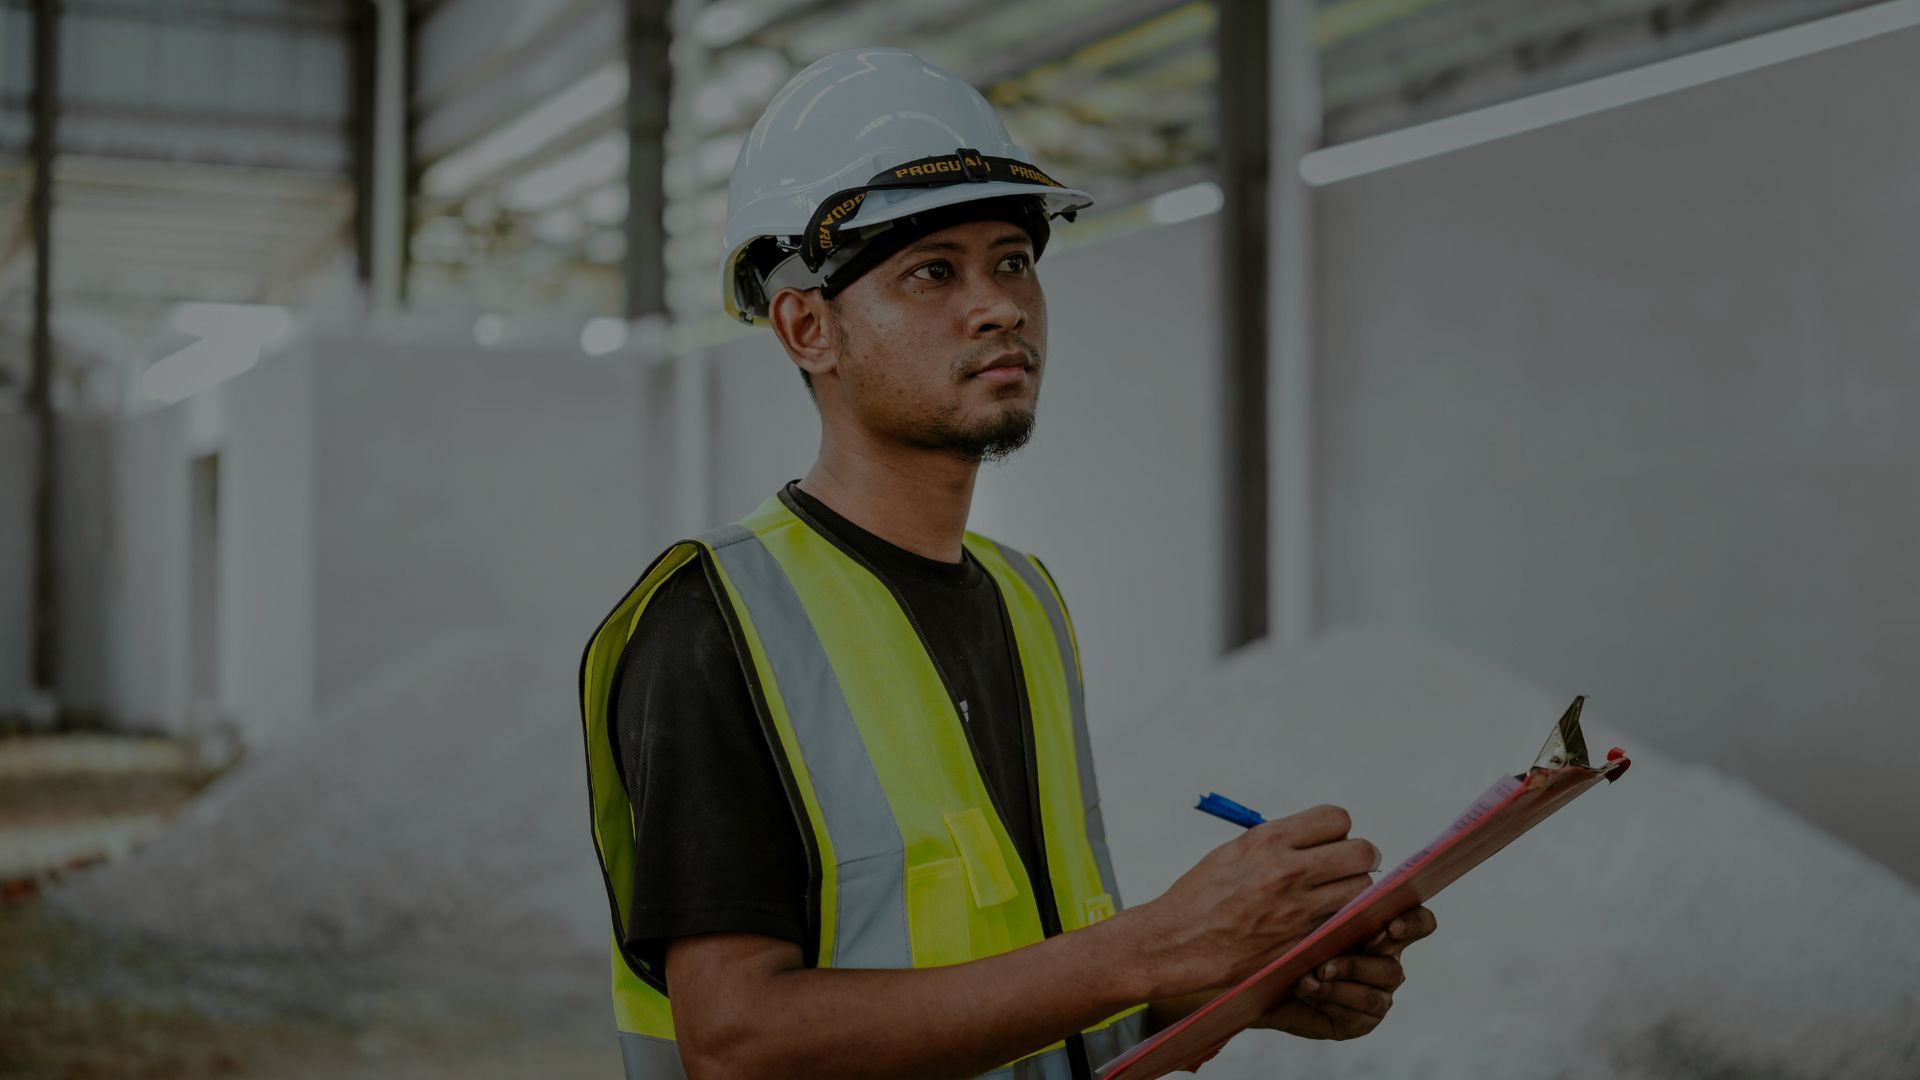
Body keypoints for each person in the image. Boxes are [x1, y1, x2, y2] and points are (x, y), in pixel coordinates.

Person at [577, 46, 1436, 1079]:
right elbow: (737, 1042)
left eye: (1014, 261)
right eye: (932, 271)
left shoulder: (1025, 601)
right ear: (808, 326)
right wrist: (1151, 944)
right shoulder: (714, 622)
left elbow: (1037, 995)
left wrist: (1242, 984)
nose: (999, 307)